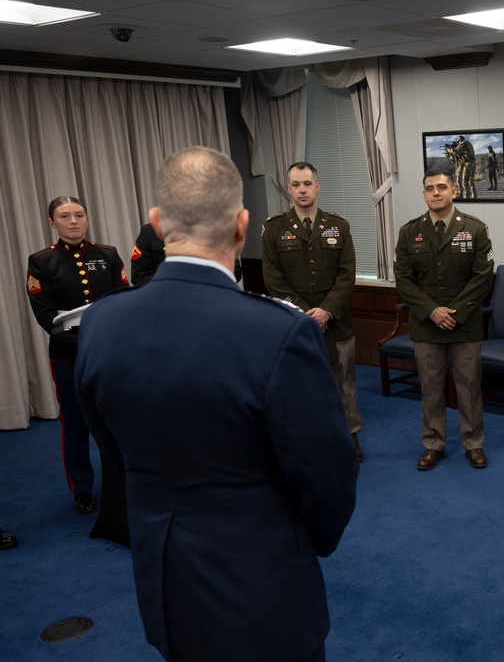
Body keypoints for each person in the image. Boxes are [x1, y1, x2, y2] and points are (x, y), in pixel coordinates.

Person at [75, 146, 358, 662]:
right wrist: (311, 538)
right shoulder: (279, 333)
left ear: (157, 224)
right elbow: (327, 474)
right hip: (260, 580)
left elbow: (114, 453)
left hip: (163, 576)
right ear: (242, 225)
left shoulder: (99, 323)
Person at [26, 196, 129, 514]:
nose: (73, 221)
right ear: (51, 222)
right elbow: (46, 317)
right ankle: (82, 487)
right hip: (68, 355)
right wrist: (86, 340)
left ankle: (127, 480)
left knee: (119, 420)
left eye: (79, 214)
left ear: (87, 219)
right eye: (65, 216)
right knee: (75, 422)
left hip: (110, 352)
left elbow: (123, 299)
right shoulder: (42, 261)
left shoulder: (108, 254)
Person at [262, 162, 364, 462]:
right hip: (296, 325)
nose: (302, 189)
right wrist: (308, 313)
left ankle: (351, 437)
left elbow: (347, 275)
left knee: (345, 384)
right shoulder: (274, 228)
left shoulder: (338, 226)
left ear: (318, 186)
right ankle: (312, 441)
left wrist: (326, 311)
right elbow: (273, 280)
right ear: (289, 189)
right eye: (296, 184)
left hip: (337, 323)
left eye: (307, 183)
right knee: (302, 385)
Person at [394, 168, 494, 470]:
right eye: (429, 188)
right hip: (426, 326)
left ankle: (473, 444)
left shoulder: (475, 229)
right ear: (424, 194)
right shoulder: (409, 231)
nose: (435, 193)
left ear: (455, 191)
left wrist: (455, 312)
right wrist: (432, 311)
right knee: (431, 389)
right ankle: (433, 444)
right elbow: (404, 279)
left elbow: (482, 277)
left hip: (464, 326)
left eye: (441, 187)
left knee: (469, 389)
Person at [132, 221, 242, 286]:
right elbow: (139, 276)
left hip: (209, 300)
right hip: (166, 304)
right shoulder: (150, 233)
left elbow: (235, 271)